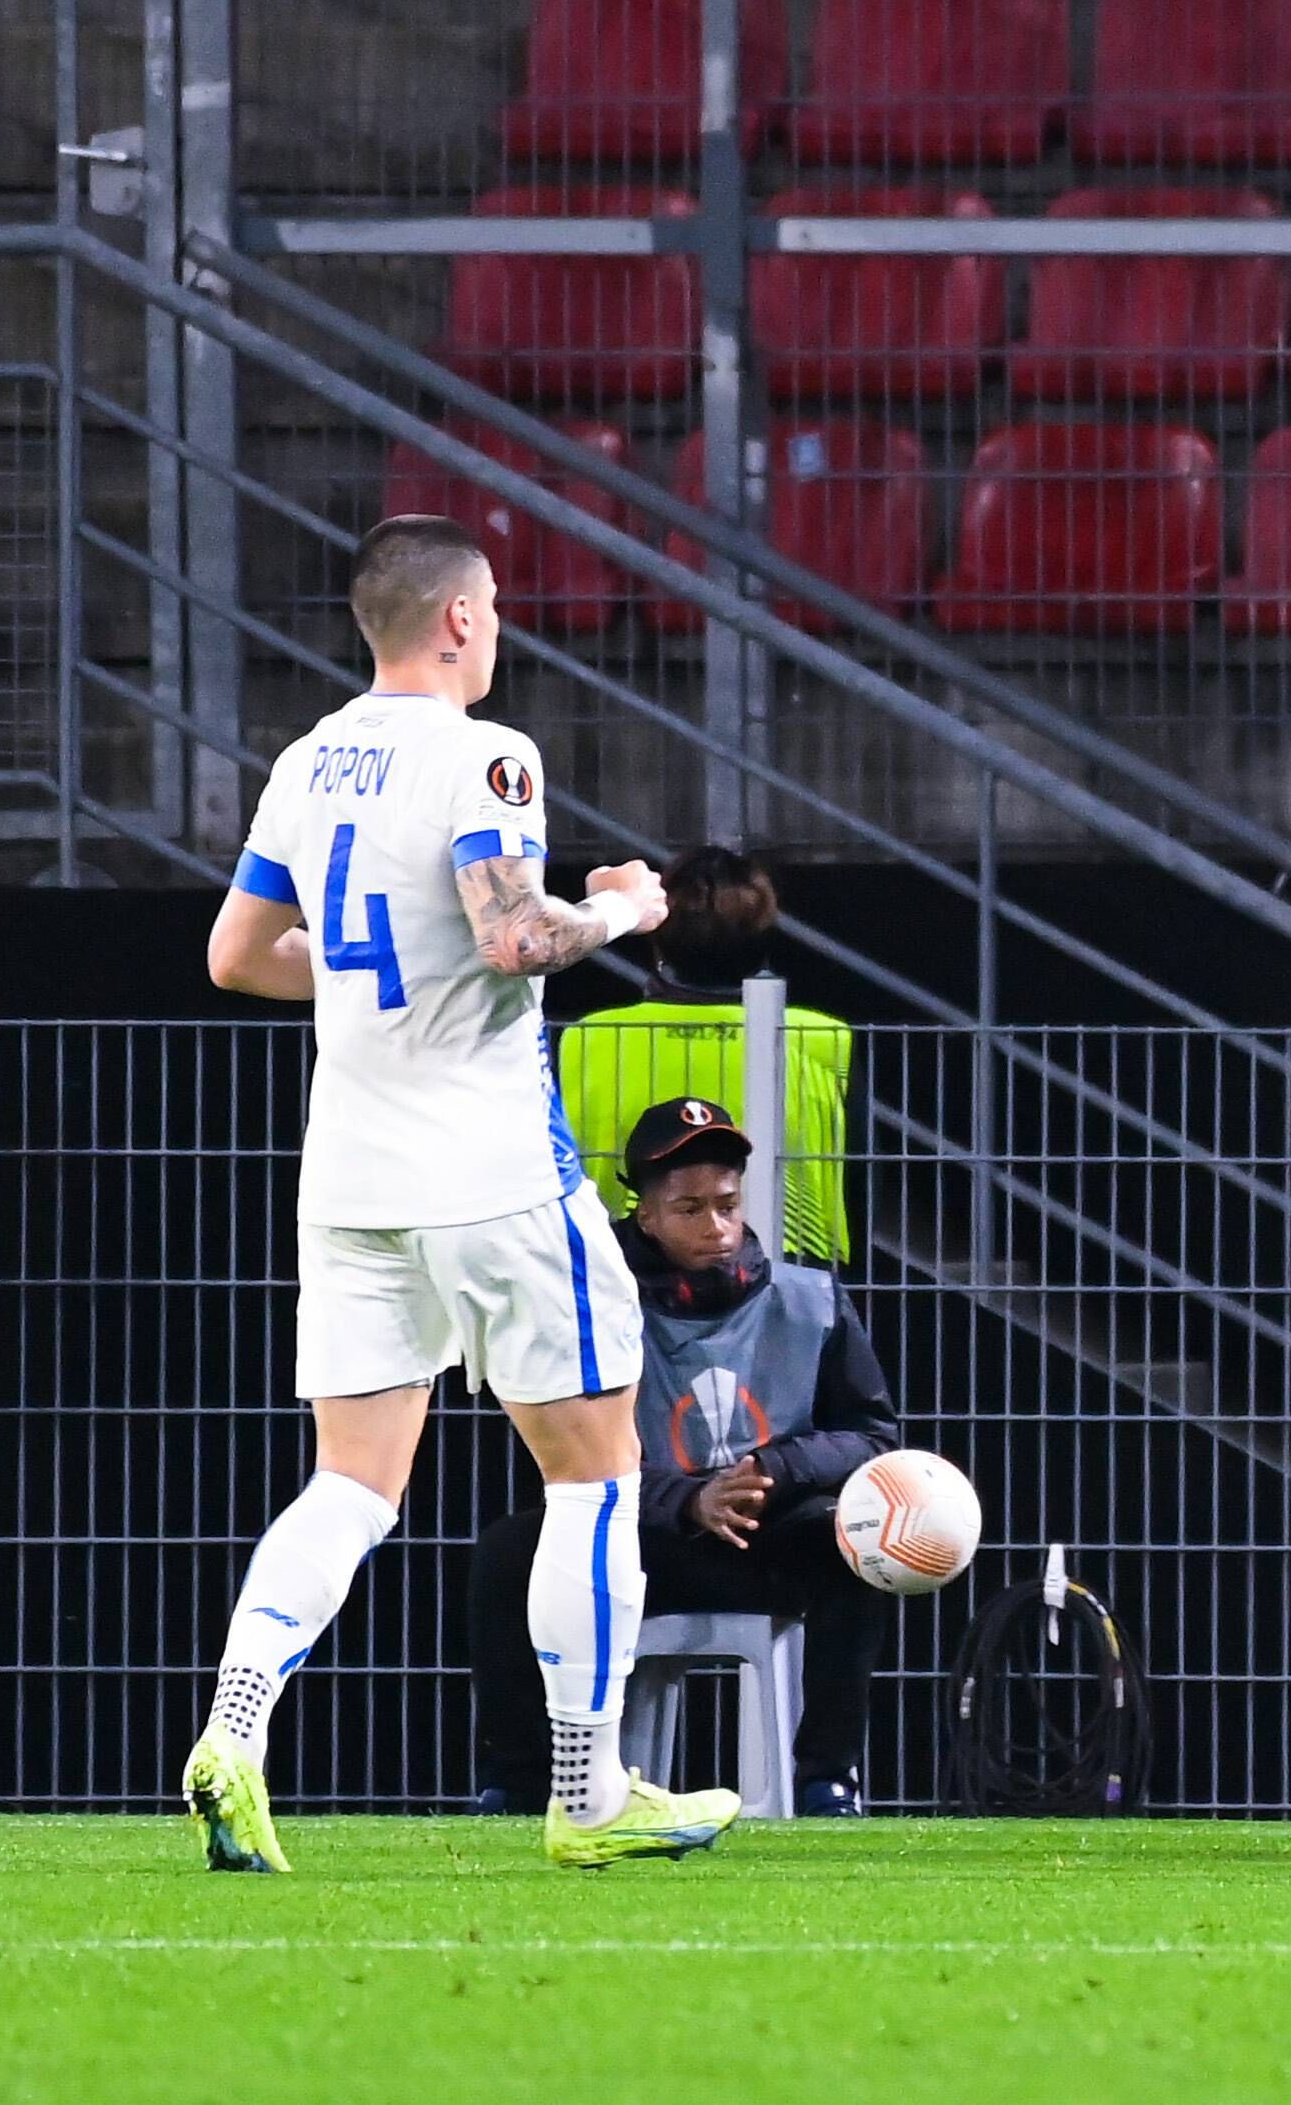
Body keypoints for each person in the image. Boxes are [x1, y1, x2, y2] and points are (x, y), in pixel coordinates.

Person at [186, 513, 739, 1873]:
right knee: (595, 1474)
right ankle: (589, 1793)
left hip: (351, 1176)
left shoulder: (307, 761)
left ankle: (233, 1729)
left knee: (352, 1482)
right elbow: (514, 937)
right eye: (492, 607)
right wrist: (623, 910)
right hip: (491, 1174)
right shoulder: (488, 755)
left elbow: (237, 956)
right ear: (459, 619)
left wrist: (381, 981)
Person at [470, 1098, 903, 1819]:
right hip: (641, 1540)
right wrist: (688, 1501)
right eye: (690, 1209)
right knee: (509, 1551)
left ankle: (828, 1781)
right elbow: (559, 1455)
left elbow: (873, 1436)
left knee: (855, 1542)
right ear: (645, 1217)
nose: (716, 1227)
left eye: (727, 1205)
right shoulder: (589, 1306)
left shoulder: (811, 1299)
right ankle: (516, 1786)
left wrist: (774, 1470)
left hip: (770, 1535)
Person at [554, 846, 856, 1264]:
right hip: (791, 1259)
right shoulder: (823, 1038)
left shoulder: (587, 1036)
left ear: (659, 939)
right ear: (765, 938)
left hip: (620, 1256)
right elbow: (861, 1173)